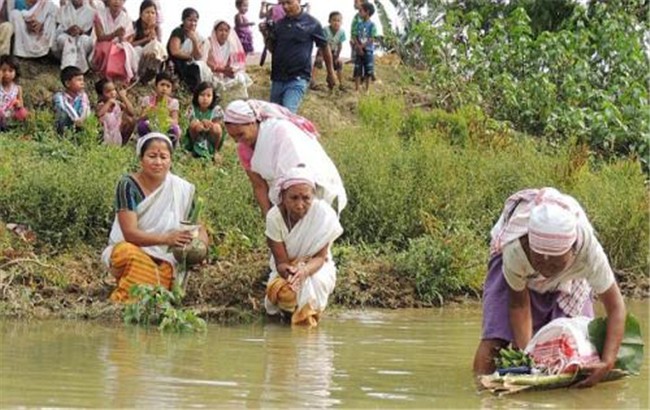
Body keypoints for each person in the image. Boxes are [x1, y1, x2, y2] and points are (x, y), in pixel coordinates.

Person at [472, 187, 626, 388]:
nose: (546, 272)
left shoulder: (589, 254)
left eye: (554, 265)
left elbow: (616, 307)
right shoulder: (515, 249)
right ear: (528, 245)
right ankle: (479, 389)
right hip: (519, 272)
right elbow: (519, 306)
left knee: (576, 345)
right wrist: (527, 358)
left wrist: (607, 361)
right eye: (539, 262)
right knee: (496, 340)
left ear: (572, 251)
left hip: (572, 273)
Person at [101, 132, 209, 302]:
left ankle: (133, 297)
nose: (158, 162)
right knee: (128, 254)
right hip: (131, 250)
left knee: (166, 270)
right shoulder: (128, 185)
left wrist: (200, 248)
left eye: (163, 157)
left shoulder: (183, 189)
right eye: (152, 156)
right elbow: (130, 234)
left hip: (165, 257)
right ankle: (125, 300)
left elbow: (199, 228)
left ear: (170, 161)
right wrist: (167, 239)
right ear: (141, 158)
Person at [224, 99, 347, 217]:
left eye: (240, 134)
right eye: (233, 137)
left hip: (309, 186)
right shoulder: (243, 149)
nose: (237, 140)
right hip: (284, 192)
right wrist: (269, 218)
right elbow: (259, 185)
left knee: (311, 226)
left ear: (251, 122)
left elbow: (299, 172)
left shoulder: (280, 132)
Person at [264, 166, 343, 326]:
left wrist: (304, 271)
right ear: (283, 197)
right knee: (286, 293)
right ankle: (293, 317)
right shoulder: (274, 217)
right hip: (288, 269)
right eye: (293, 198)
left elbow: (321, 257)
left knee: (317, 284)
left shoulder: (323, 215)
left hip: (316, 267)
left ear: (313, 197)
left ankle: (306, 320)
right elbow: (281, 263)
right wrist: (292, 274)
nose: (300, 205)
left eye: (306, 198)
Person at [259, 0, 336, 113]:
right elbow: (273, 50)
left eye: (289, 3)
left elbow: (324, 46)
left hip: (298, 77)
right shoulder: (279, 24)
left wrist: (331, 72)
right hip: (278, 78)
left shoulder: (312, 23)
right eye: (283, 3)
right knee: (273, 116)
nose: (285, 7)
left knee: (288, 112)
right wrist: (265, 34)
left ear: (298, 1)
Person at [92, 0, 138, 83]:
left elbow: (129, 39)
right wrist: (114, 34)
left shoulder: (126, 18)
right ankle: (104, 73)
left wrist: (121, 38)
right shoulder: (99, 14)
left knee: (124, 49)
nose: (117, 2)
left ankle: (119, 76)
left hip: (119, 46)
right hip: (103, 44)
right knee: (106, 47)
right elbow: (100, 37)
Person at [205, 19, 252, 99]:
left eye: (226, 31)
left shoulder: (230, 44)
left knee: (240, 77)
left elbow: (236, 63)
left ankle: (240, 101)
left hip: (226, 73)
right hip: (213, 73)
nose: (223, 33)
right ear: (215, 31)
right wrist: (222, 70)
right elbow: (207, 63)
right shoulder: (209, 42)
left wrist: (231, 70)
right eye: (220, 30)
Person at [183, 81, 224, 163]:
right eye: (202, 95)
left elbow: (219, 124)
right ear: (197, 96)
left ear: (213, 97)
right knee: (194, 124)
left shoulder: (216, 109)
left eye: (208, 95)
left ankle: (215, 151)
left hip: (211, 136)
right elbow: (189, 123)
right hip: (196, 134)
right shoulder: (192, 108)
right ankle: (193, 149)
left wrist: (210, 124)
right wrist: (200, 123)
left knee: (216, 128)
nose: (205, 98)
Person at [166, 7, 206, 91]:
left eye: (195, 21)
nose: (192, 23)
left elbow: (198, 57)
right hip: (177, 63)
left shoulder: (199, 37)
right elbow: (174, 52)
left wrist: (194, 41)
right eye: (189, 20)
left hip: (190, 65)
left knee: (198, 66)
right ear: (183, 20)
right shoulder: (178, 32)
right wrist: (190, 57)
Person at [137, 71, 181, 143]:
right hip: (151, 125)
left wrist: (164, 117)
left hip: (165, 126)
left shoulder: (173, 103)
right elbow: (141, 118)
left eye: (168, 86)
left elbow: (175, 121)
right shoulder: (147, 100)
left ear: (171, 89)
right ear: (156, 86)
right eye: (162, 85)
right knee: (142, 126)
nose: (164, 88)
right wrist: (150, 111)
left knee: (175, 129)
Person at [52, 0, 95, 73]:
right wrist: (67, 31)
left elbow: (92, 33)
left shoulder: (91, 12)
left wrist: (81, 31)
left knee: (84, 40)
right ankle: (68, 68)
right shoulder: (63, 10)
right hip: (66, 36)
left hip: (83, 38)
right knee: (64, 39)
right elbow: (58, 30)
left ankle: (80, 69)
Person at [131, 0, 166, 84]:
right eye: (147, 12)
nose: (150, 15)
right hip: (136, 55)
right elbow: (130, 44)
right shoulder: (135, 25)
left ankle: (150, 74)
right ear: (141, 14)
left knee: (156, 46)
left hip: (151, 57)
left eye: (153, 13)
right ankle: (136, 75)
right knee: (138, 49)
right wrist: (146, 39)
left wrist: (153, 35)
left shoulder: (157, 28)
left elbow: (160, 46)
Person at [310, 11, 346, 92]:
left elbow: (340, 45)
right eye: (334, 20)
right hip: (323, 50)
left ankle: (340, 84)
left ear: (341, 22)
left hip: (333, 51)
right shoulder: (325, 30)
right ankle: (312, 81)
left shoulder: (341, 32)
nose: (336, 23)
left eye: (338, 21)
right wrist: (322, 53)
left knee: (339, 63)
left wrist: (337, 56)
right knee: (318, 61)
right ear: (329, 21)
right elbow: (322, 43)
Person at [95, 78, 136, 145]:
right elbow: (98, 114)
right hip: (106, 134)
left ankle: (122, 145)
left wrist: (124, 97)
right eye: (108, 91)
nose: (113, 93)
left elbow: (131, 112)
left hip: (116, 132)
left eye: (114, 89)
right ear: (101, 95)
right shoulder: (101, 105)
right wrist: (109, 102)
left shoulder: (117, 103)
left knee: (130, 120)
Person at [53, 65, 90, 133]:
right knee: (63, 115)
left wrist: (82, 119)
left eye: (83, 80)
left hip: (79, 123)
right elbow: (65, 107)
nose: (82, 83)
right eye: (79, 80)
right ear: (67, 83)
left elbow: (85, 107)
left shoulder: (83, 95)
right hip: (65, 124)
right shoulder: (60, 96)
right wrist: (76, 119)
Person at [353, 2, 377, 92]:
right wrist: (358, 46)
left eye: (361, 10)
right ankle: (357, 89)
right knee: (357, 69)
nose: (359, 12)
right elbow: (355, 36)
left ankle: (367, 90)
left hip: (368, 51)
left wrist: (362, 46)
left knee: (368, 70)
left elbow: (371, 38)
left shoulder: (372, 25)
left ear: (367, 12)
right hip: (359, 50)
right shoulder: (358, 24)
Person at [0, 55, 28, 131]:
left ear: (16, 72)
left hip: (10, 114)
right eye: (3, 70)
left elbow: (21, 105)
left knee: (23, 113)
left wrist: (18, 104)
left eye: (10, 70)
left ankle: (15, 127)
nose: (7, 73)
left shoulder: (17, 88)